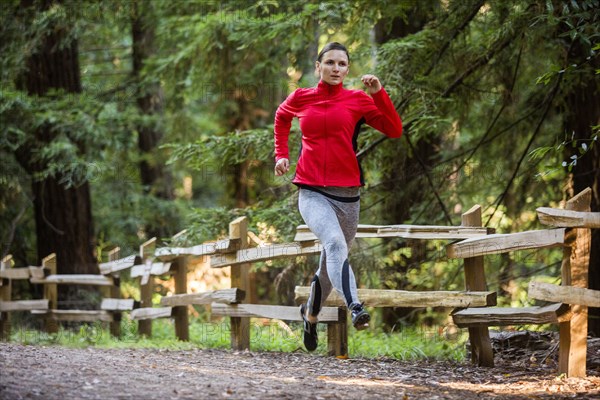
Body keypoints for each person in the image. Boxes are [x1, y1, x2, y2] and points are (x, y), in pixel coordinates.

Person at [273, 42, 403, 352]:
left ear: (347, 70)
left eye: (342, 64)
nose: (335, 68)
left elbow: (394, 129)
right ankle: (356, 306)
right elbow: (281, 117)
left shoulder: (357, 100)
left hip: (348, 196)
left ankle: (311, 314)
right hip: (312, 190)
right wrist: (281, 155)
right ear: (318, 67)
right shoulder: (302, 97)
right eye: (329, 62)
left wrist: (378, 94)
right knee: (334, 245)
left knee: (329, 264)